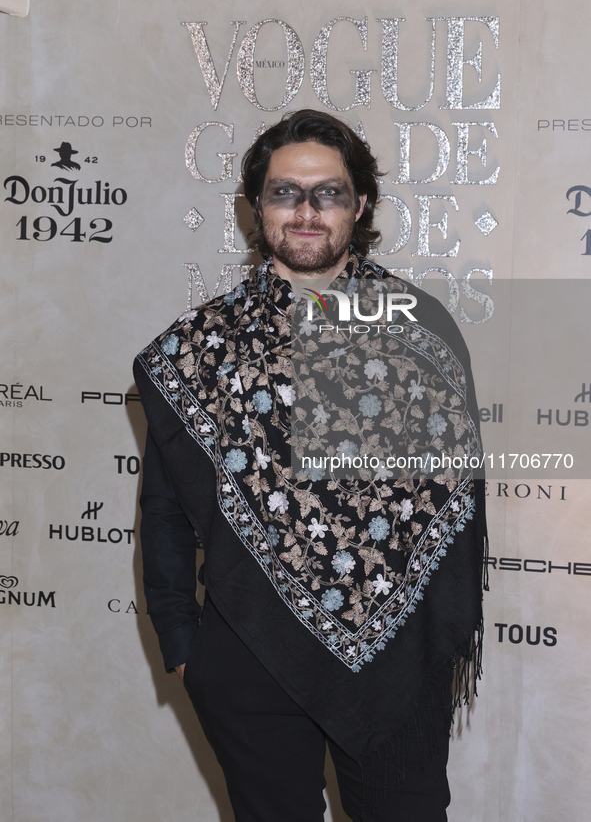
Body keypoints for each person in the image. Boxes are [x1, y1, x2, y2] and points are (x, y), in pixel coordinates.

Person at [134, 109, 487, 822]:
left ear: (358, 205)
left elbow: (456, 508)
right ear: (255, 205)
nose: (304, 212)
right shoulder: (197, 350)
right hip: (248, 650)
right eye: (283, 192)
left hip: (394, 658)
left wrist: (433, 645)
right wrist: (182, 642)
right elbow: (166, 508)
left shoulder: (416, 329)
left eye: (326, 192)